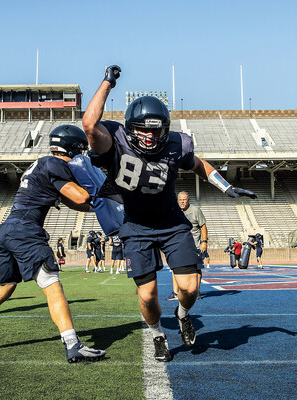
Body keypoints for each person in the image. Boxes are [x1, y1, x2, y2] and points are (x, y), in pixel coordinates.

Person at [82, 65, 257, 362]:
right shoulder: (114, 141)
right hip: (136, 226)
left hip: (173, 224)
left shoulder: (176, 144)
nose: (149, 137)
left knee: (189, 288)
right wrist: (107, 82)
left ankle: (182, 313)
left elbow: (199, 164)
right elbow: (88, 124)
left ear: (165, 129)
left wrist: (226, 187)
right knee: (148, 295)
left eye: (155, 130)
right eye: (142, 130)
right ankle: (157, 335)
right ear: (129, 129)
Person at [0, 124, 106, 363]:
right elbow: (81, 196)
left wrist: (97, 206)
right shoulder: (56, 164)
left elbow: (74, 202)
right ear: (73, 147)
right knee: (52, 283)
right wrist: (102, 195)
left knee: (3, 289)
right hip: (25, 230)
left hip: (8, 229)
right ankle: (73, 345)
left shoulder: (41, 164)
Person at [167, 192, 208, 301]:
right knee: (175, 268)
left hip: (194, 245)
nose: (182, 202)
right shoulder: (173, 211)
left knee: (197, 269)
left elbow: (203, 226)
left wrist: (204, 241)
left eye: (184, 199)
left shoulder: (195, 211)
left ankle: (197, 291)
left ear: (188, 200)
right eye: (180, 200)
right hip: (178, 245)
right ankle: (175, 292)